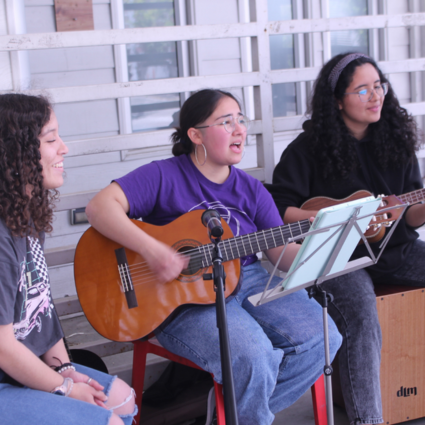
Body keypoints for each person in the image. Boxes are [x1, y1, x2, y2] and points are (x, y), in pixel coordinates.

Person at [85, 88, 342, 424]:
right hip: (178, 298)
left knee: (323, 337)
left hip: (248, 280)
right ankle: (236, 411)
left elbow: (281, 254)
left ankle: (228, 413)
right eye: (226, 121)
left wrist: (324, 243)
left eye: (241, 120)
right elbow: (99, 207)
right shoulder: (163, 175)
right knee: (252, 356)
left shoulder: (251, 189)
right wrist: (153, 250)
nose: (240, 129)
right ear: (195, 135)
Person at [266, 52, 425, 425]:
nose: (376, 96)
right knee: (361, 316)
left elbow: (413, 212)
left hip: (394, 250)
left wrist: (409, 209)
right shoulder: (307, 150)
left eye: (379, 86)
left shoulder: (396, 141)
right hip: (337, 258)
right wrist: (334, 218)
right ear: (338, 100)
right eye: (363, 89)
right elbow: (277, 210)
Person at [0, 93, 137, 425]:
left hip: (24, 367)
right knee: (108, 421)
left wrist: (65, 369)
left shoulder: (24, 214)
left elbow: (40, 308)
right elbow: (3, 346)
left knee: (122, 400)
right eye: (51, 139)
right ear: (15, 154)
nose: (64, 148)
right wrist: (62, 388)